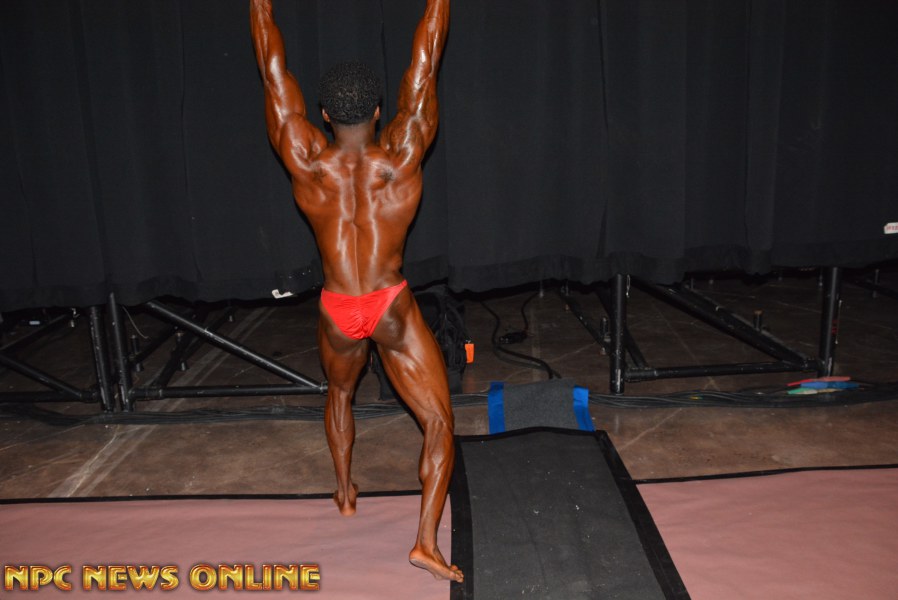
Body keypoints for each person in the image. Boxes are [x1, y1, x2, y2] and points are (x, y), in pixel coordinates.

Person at [249, 0, 461, 582]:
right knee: (439, 422)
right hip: (390, 305)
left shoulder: (307, 162)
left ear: (321, 114)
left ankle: (345, 493)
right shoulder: (401, 155)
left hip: (338, 308)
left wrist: (261, 8)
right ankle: (425, 543)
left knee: (339, 394)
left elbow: (272, 70)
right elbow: (426, 62)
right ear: (378, 110)